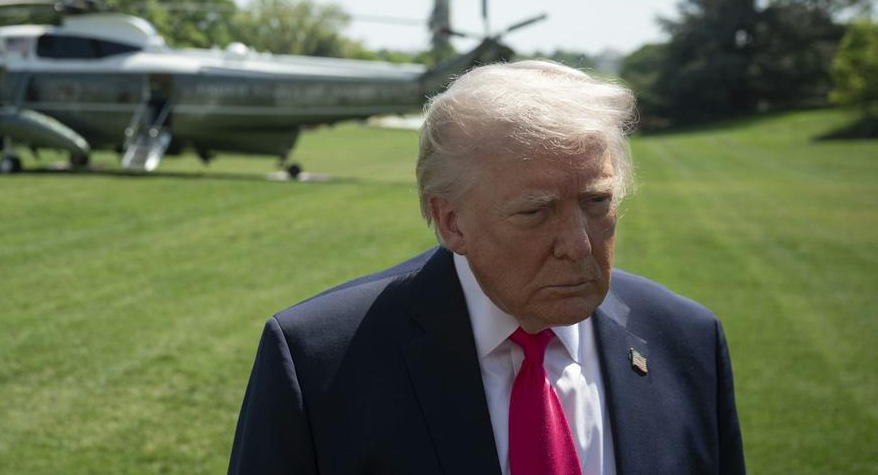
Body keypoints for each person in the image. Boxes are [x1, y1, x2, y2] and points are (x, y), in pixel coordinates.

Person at [227, 61, 744, 475]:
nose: (578, 245)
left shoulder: (688, 340)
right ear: (450, 221)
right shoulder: (319, 363)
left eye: (596, 202)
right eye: (536, 211)